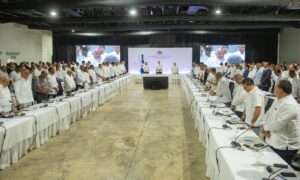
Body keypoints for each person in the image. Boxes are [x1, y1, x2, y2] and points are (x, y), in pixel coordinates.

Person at [261, 80, 300, 166]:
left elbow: (279, 123)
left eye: (275, 87)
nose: (274, 89)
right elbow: (268, 113)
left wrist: (265, 128)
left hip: (284, 145)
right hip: (273, 139)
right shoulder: (278, 100)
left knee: (281, 170)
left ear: (281, 90)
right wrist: (263, 125)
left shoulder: (290, 104)